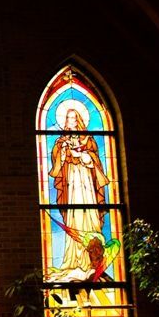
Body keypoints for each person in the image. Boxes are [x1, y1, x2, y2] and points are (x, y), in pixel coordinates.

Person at [49, 106, 109, 274]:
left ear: (80, 120)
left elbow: (96, 161)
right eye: (68, 118)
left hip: (87, 183)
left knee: (90, 215)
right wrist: (64, 153)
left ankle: (94, 260)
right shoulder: (60, 141)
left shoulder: (88, 140)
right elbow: (57, 165)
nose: (71, 121)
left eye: (74, 118)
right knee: (74, 216)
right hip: (71, 183)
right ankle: (74, 259)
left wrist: (85, 157)